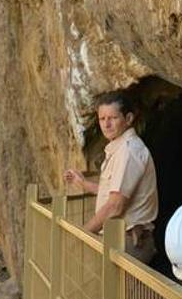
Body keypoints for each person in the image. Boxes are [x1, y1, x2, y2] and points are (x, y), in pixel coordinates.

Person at [64, 91, 159, 264]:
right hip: (120, 239)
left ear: (128, 118)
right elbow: (113, 192)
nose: (106, 125)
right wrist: (83, 183)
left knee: (118, 292)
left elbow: (115, 205)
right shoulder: (120, 148)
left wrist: (81, 234)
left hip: (128, 242)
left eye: (113, 118)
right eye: (102, 119)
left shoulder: (128, 151)